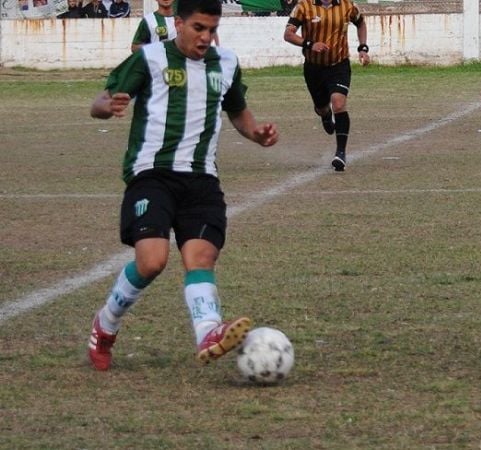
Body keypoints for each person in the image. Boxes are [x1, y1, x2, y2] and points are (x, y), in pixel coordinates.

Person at [87, 0, 279, 371]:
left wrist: (256, 133)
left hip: (202, 177)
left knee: (201, 258)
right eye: (198, 28)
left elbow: (237, 110)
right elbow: (100, 100)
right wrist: (106, 107)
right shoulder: (150, 58)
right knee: (152, 261)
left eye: (212, 29)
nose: (206, 37)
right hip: (152, 173)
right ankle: (105, 324)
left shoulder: (226, 63)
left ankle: (208, 332)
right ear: (179, 24)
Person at [283, 0, 369, 172]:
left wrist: (363, 48)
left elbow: (361, 23)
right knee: (322, 107)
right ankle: (325, 114)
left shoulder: (348, 5)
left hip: (339, 65)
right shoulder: (304, 6)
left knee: (339, 103)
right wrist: (310, 44)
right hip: (313, 68)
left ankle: (340, 153)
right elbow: (288, 34)